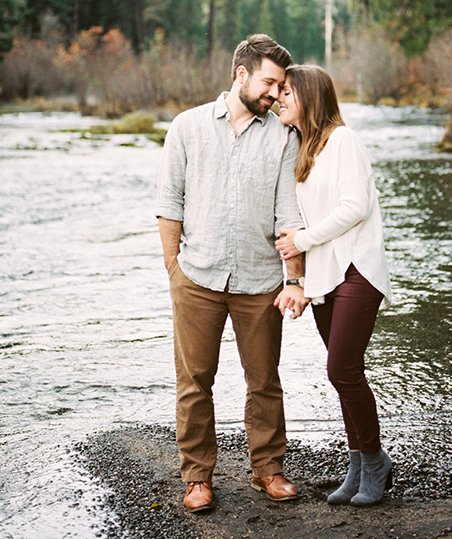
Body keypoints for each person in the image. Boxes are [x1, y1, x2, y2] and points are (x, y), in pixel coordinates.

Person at [155, 35, 306, 512]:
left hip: (260, 280)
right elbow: (168, 205)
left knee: (264, 380)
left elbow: (290, 215)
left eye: (280, 86)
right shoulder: (187, 127)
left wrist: (294, 278)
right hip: (196, 277)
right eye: (269, 82)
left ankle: (268, 469)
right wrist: (174, 271)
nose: (276, 94)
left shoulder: (284, 135)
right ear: (241, 74)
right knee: (194, 380)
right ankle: (197, 477)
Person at [274, 64, 393, 507]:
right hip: (326, 277)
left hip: (357, 270)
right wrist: (299, 281)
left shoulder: (343, 140)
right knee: (345, 375)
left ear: (310, 96)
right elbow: (298, 218)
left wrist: (301, 240)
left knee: (341, 369)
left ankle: (375, 461)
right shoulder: (303, 148)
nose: (280, 98)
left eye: (287, 91)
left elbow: (355, 206)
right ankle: (359, 464)